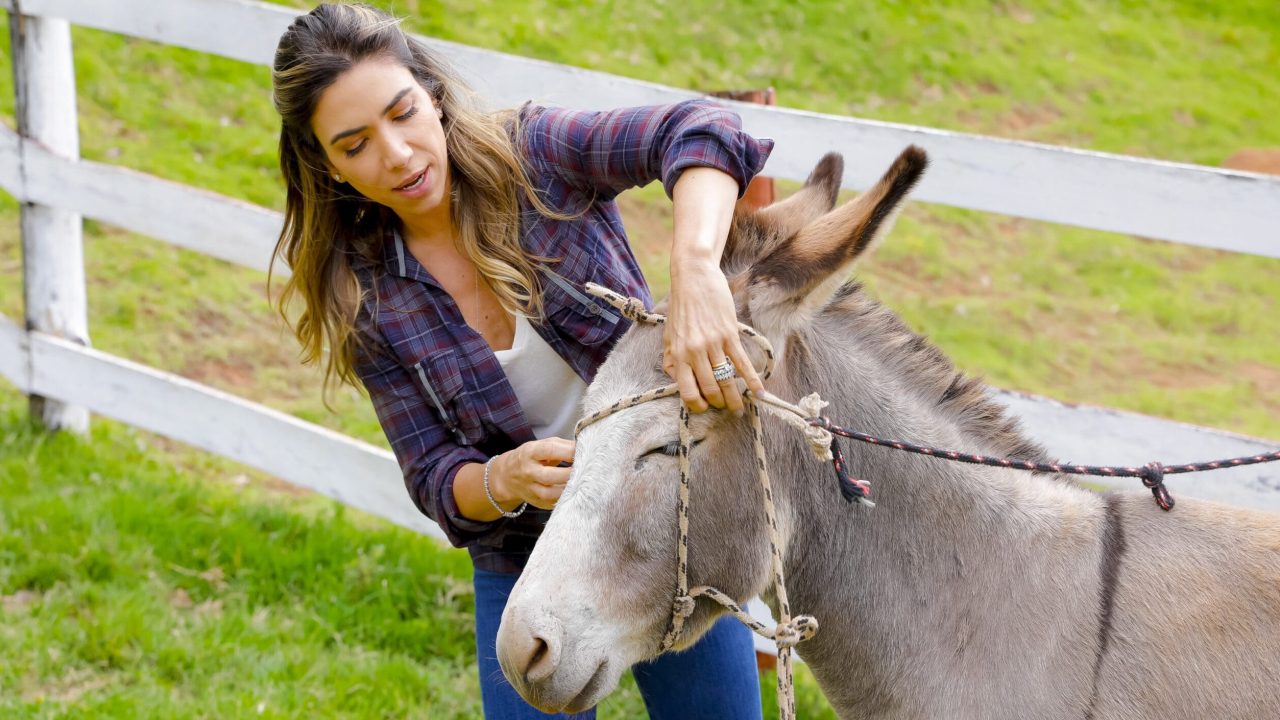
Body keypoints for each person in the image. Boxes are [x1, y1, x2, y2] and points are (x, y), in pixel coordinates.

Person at [270, 4, 773, 718]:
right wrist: (500, 479)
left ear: (432, 96)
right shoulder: (366, 295)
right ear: (328, 166)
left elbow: (701, 131)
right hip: (524, 557)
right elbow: (436, 479)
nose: (399, 155)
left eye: (403, 113)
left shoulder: (536, 154)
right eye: (355, 145)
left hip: (663, 522)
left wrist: (696, 270)